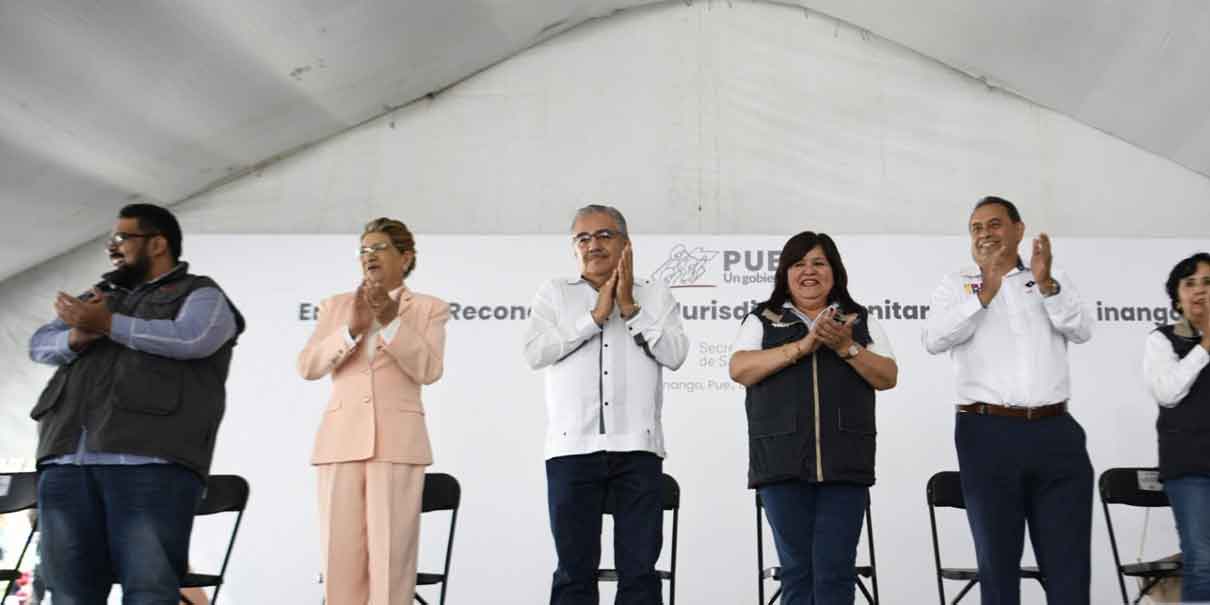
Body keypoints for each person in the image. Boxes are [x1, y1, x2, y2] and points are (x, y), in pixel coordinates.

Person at [28, 203, 244, 604]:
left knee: (149, 591)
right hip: (67, 463)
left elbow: (193, 338)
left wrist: (108, 325)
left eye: (122, 238)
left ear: (158, 243)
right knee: (68, 593)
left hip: (150, 465)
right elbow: (40, 344)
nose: (113, 248)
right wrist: (75, 338)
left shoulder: (201, 294)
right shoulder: (100, 295)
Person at [922, 196, 1094, 605]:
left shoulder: (1048, 277)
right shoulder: (957, 283)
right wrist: (985, 292)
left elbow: (1082, 329)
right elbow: (934, 339)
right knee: (998, 567)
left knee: (1069, 566)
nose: (984, 234)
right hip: (987, 433)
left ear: (1019, 230)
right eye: (976, 228)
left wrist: (1048, 284)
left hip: (1056, 432)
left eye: (994, 224)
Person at [523, 204, 688, 605]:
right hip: (571, 450)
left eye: (604, 235)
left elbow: (675, 354)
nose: (593, 245)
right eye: (583, 238)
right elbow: (534, 353)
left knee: (640, 574)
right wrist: (594, 318)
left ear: (626, 244)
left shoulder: (654, 293)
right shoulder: (555, 293)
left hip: (637, 450)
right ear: (573, 248)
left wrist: (629, 307)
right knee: (573, 573)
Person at [729, 231, 898, 605]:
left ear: (834, 271)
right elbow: (739, 368)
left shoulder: (857, 319)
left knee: (836, 570)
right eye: (799, 264)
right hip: (780, 466)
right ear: (785, 274)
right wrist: (802, 347)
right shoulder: (763, 319)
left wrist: (846, 346)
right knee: (798, 572)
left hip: (845, 467)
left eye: (819, 263)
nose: (809, 272)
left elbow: (888, 376)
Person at [298, 218, 449, 605]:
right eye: (364, 250)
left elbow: (428, 370)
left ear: (406, 257)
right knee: (340, 558)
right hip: (339, 443)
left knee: (390, 561)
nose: (370, 256)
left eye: (379, 247)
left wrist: (390, 321)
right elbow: (309, 366)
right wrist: (350, 329)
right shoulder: (335, 306)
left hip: (397, 444)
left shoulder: (430, 308)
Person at [1143, 252, 1210, 603]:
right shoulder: (1163, 340)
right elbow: (1168, 393)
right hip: (1191, 468)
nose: (1200, 290)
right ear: (1177, 297)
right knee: (1202, 560)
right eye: (1190, 283)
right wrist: (1205, 345)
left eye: (1208, 282)